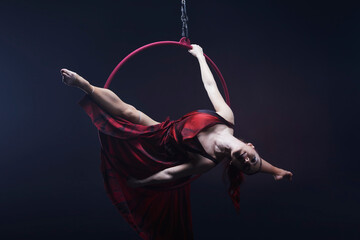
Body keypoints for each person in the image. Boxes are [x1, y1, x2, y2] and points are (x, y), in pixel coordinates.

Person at [61, 44, 293, 240]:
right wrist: (200, 56)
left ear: (234, 165)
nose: (245, 159)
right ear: (250, 145)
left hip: (162, 148)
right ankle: (85, 85)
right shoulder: (226, 118)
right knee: (130, 112)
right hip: (166, 130)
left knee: (129, 114)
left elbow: (170, 174)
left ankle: (83, 85)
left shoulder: (208, 161)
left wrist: (142, 183)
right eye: (249, 157)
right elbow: (210, 86)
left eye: (243, 165)